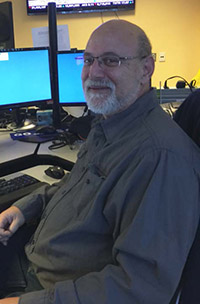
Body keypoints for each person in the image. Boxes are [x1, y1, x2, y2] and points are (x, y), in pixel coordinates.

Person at [0, 19, 200, 304]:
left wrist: (25, 302)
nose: (93, 72)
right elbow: (77, 187)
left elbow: (138, 288)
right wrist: (24, 207)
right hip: (31, 254)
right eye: (89, 60)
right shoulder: (109, 123)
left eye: (110, 60)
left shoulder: (159, 159)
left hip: (45, 288)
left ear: (147, 69)